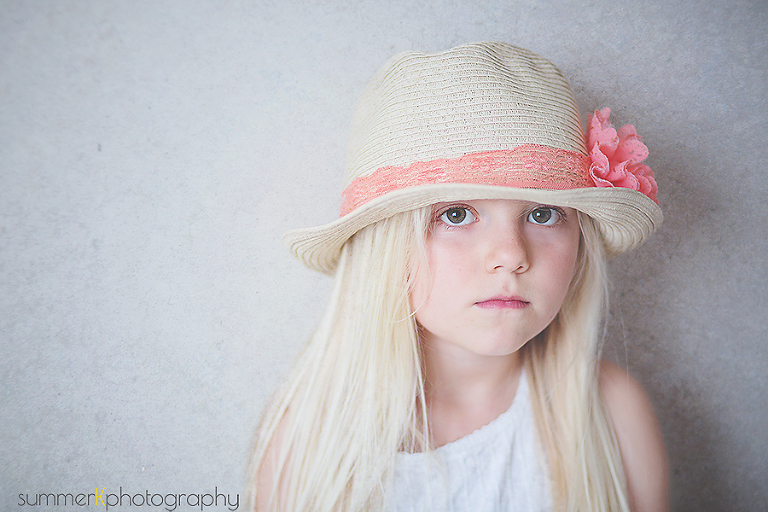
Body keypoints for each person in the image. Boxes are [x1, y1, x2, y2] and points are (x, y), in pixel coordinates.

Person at [250, 42, 668, 512]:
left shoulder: (613, 415)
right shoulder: (308, 441)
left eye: (544, 213)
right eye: (455, 214)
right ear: (385, 248)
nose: (511, 255)